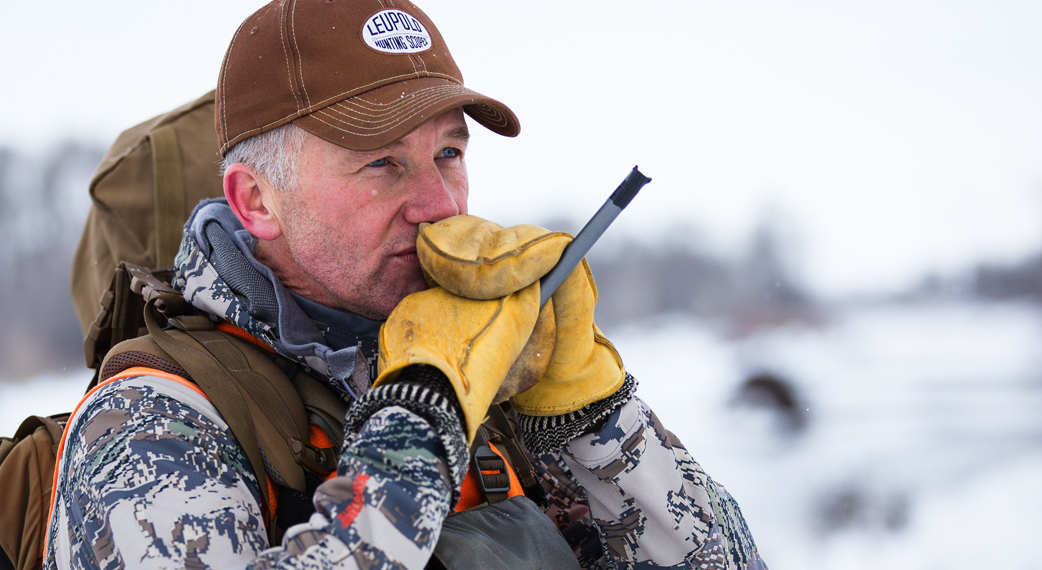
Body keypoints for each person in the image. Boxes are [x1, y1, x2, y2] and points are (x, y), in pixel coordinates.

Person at [45, 1, 765, 569]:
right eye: (382, 163)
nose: (441, 206)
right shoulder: (150, 420)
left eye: (449, 152)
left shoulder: (490, 367)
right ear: (257, 200)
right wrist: (419, 418)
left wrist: (589, 408)